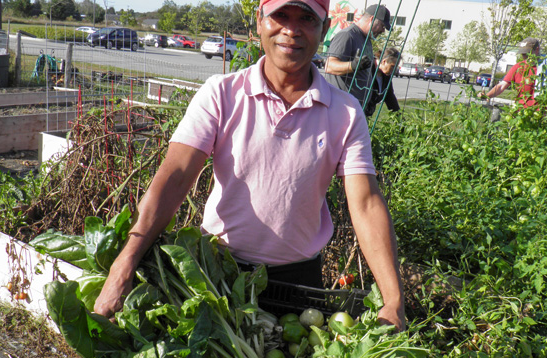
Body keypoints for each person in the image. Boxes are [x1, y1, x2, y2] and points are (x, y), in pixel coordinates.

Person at [93, 0, 406, 331]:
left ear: (324, 29)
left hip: (297, 281)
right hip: (217, 276)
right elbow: (174, 177)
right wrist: (124, 262)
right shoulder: (222, 94)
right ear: (260, 22)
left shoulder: (345, 113)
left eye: (307, 19)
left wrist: (393, 299)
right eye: (280, 15)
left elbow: (366, 204)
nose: (292, 29)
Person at [323, 4, 391, 109]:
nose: (383, 31)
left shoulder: (366, 39)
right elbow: (329, 66)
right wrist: (353, 65)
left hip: (356, 107)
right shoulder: (347, 35)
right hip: (341, 107)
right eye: (382, 26)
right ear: (372, 19)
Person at [478, 37, 547, 107]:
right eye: (522, 54)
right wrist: (487, 95)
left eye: (527, 53)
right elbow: (501, 86)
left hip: (541, 115)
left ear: (537, 50)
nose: (524, 57)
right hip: (520, 113)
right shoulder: (518, 67)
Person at [364, 47, 401, 116]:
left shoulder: (386, 75)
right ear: (384, 61)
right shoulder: (367, 68)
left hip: (367, 114)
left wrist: (399, 118)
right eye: (393, 66)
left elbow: (389, 97)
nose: (394, 70)